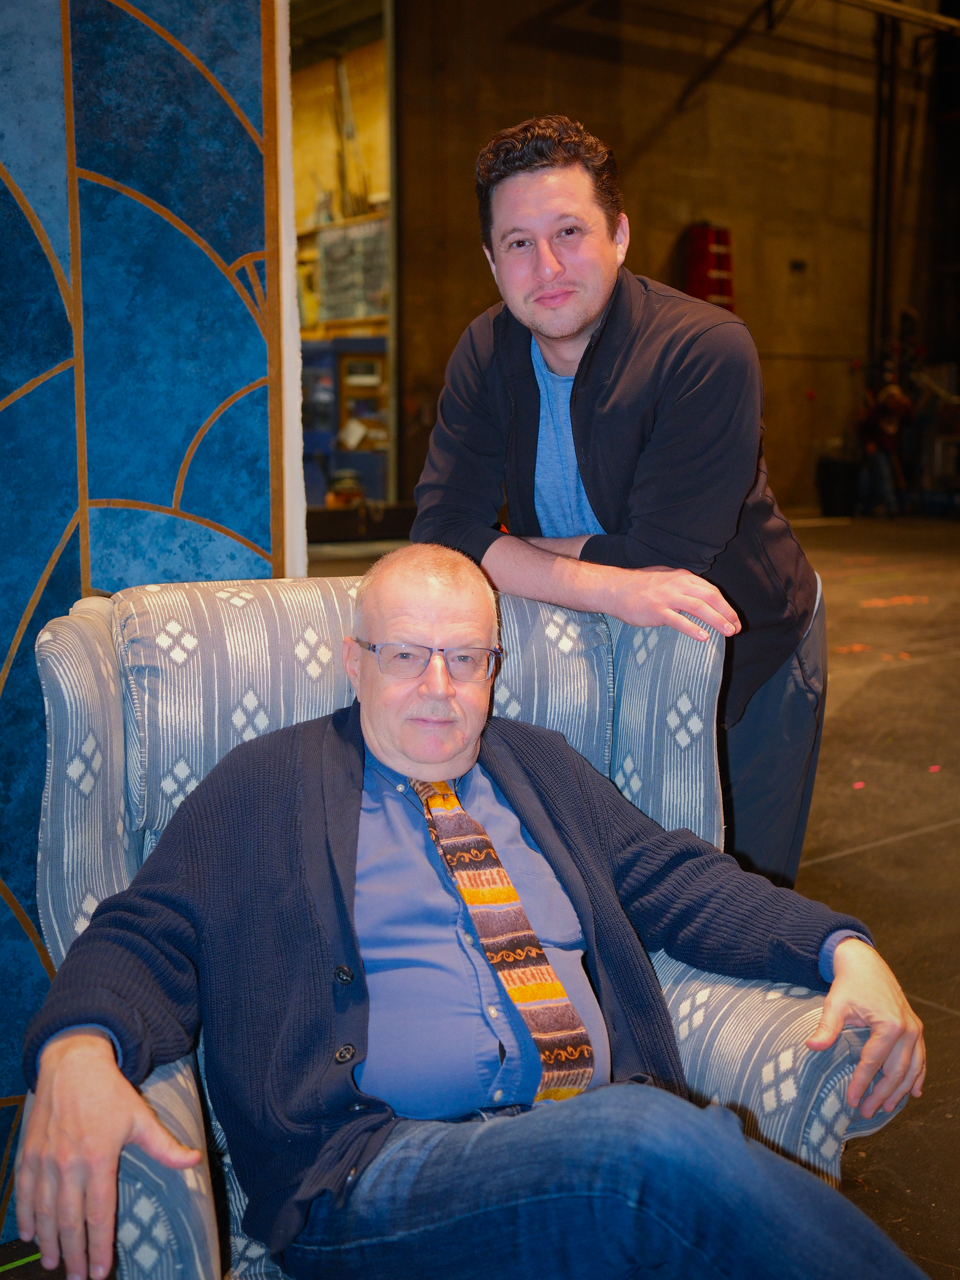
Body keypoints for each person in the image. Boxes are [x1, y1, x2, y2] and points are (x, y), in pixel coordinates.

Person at [18, 545, 925, 1280]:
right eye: (406, 655)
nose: (439, 688)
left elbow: (676, 877)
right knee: (645, 1151)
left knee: (645, 1168)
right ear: (354, 660)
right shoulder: (265, 783)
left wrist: (842, 948)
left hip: (577, 1134)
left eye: (466, 658)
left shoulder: (541, 767)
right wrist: (77, 1048)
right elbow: (147, 931)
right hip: (372, 1173)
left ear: (496, 663)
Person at [412, 115, 825, 888]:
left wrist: (504, 553)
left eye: (570, 230)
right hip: (585, 639)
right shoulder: (485, 349)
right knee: (596, 879)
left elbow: (661, 561)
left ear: (620, 235)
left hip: (748, 644)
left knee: (736, 888)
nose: (547, 266)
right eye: (518, 243)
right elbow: (439, 532)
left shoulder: (705, 348)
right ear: (491, 261)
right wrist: (606, 581)